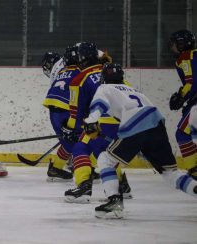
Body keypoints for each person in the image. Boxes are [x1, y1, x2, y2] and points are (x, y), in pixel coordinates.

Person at [84, 63, 197, 219]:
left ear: (103, 78)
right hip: (157, 125)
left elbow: (99, 104)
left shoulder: (104, 88)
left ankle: (114, 202)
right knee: (170, 172)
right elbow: (145, 114)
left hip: (136, 124)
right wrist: (146, 146)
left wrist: (91, 121)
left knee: (105, 160)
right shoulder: (133, 90)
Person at [62, 43, 132, 203]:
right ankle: (122, 185)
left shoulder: (79, 78)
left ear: (81, 59)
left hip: (101, 124)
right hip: (124, 124)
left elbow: (77, 112)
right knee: (108, 154)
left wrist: (71, 129)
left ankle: (84, 186)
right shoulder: (111, 72)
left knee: (80, 148)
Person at [42, 47, 80, 181]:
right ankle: (87, 170)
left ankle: (57, 168)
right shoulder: (79, 69)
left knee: (69, 141)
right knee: (84, 140)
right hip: (67, 107)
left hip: (53, 107)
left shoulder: (60, 70)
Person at [168, 30, 197, 179]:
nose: (173, 48)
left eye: (175, 44)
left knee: (182, 133)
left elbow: (191, 83)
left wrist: (181, 96)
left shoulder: (186, 56)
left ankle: (194, 170)